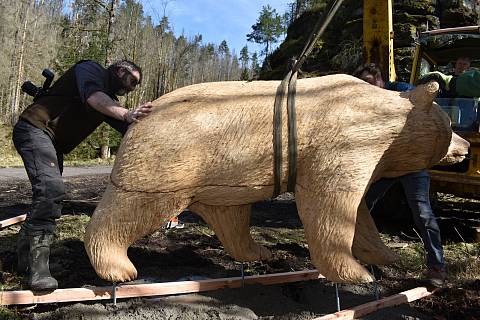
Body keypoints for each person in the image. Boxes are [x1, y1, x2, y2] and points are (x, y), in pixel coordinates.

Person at [12, 59, 153, 290]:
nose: (131, 88)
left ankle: (25, 259)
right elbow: (94, 97)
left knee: (46, 195)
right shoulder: (90, 70)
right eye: (131, 81)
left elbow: (128, 126)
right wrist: (127, 113)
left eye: (135, 86)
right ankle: (38, 269)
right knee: (51, 190)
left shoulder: (109, 101)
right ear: (119, 70)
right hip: (35, 129)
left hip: (52, 142)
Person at [353, 63, 447, 287]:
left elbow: (426, 111)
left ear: (379, 79)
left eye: (368, 81)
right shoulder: (365, 104)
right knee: (362, 207)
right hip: (385, 167)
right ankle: (367, 257)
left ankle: (437, 266)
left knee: (422, 213)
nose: (366, 87)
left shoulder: (403, 90)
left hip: (413, 164)